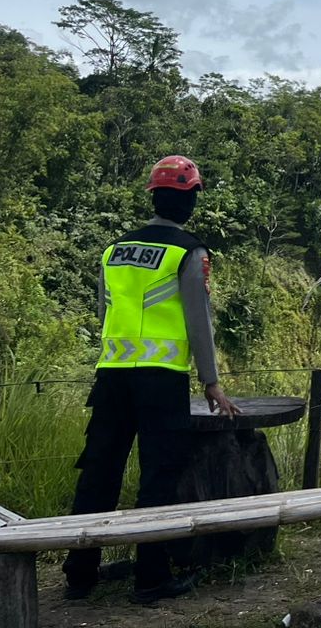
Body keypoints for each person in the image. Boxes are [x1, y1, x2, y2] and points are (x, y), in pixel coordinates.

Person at [63, 154, 237, 604]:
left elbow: (104, 312)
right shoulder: (190, 251)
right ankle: (151, 578)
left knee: (99, 472)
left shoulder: (114, 249)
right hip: (162, 380)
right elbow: (199, 322)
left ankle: (79, 573)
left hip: (112, 374)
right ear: (191, 200)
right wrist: (211, 381)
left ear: (154, 197)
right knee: (159, 477)